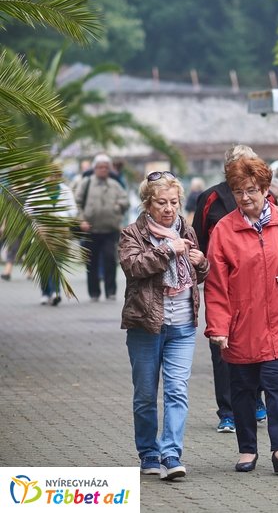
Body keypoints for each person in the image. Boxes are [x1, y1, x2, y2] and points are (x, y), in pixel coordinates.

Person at [204, 157, 278, 474]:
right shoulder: (224, 230)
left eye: (251, 190)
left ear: (265, 189)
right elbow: (216, 286)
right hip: (241, 326)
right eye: (238, 191)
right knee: (242, 389)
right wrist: (218, 328)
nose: (245, 197)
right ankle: (247, 450)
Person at [119, 170, 209, 480]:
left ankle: (172, 454)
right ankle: (148, 453)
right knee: (145, 394)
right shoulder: (132, 233)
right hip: (146, 325)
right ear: (147, 204)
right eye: (161, 202)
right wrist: (167, 249)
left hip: (182, 325)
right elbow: (134, 266)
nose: (169, 208)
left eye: (174, 202)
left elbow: (196, 275)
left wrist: (202, 263)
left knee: (177, 391)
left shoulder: (186, 229)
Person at [191, 145, 268, 433]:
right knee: (221, 349)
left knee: (259, 347)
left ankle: (257, 400)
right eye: (238, 166)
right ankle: (227, 411)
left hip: (259, 287)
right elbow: (197, 239)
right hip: (222, 285)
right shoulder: (210, 198)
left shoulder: (264, 195)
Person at [75, 153, 130, 301]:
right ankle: (94, 293)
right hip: (90, 230)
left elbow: (126, 200)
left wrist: (119, 206)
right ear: (94, 168)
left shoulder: (115, 184)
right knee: (91, 263)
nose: (103, 170)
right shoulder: (86, 183)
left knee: (110, 261)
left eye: (106, 167)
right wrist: (81, 220)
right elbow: (77, 203)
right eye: (100, 167)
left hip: (110, 230)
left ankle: (110, 291)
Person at [27, 167, 79, 305]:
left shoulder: (65, 190)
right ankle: (45, 293)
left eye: (56, 175)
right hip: (43, 229)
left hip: (60, 229)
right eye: (50, 175)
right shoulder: (38, 190)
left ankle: (56, 292)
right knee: (44, 262)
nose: (53, 178)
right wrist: (39, 216)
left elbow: (73, 209)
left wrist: (63, 216)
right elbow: (27, 208)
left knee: (57, 261)